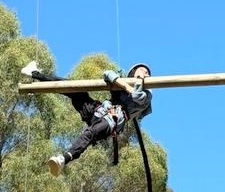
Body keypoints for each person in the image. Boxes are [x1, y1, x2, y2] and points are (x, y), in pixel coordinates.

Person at [20, 60, 152, 176]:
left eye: (147, 73)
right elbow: (107, 73)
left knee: (90, 133)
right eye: (141, 71)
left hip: (112, 120)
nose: (145, 73)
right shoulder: (123, 83)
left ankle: (63, 159)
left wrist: (139, 81)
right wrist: (127, 86)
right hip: (97, 111)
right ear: (132, 73)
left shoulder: (147, 94)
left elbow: (137, 96)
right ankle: (35, 74)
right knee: (73, 89)